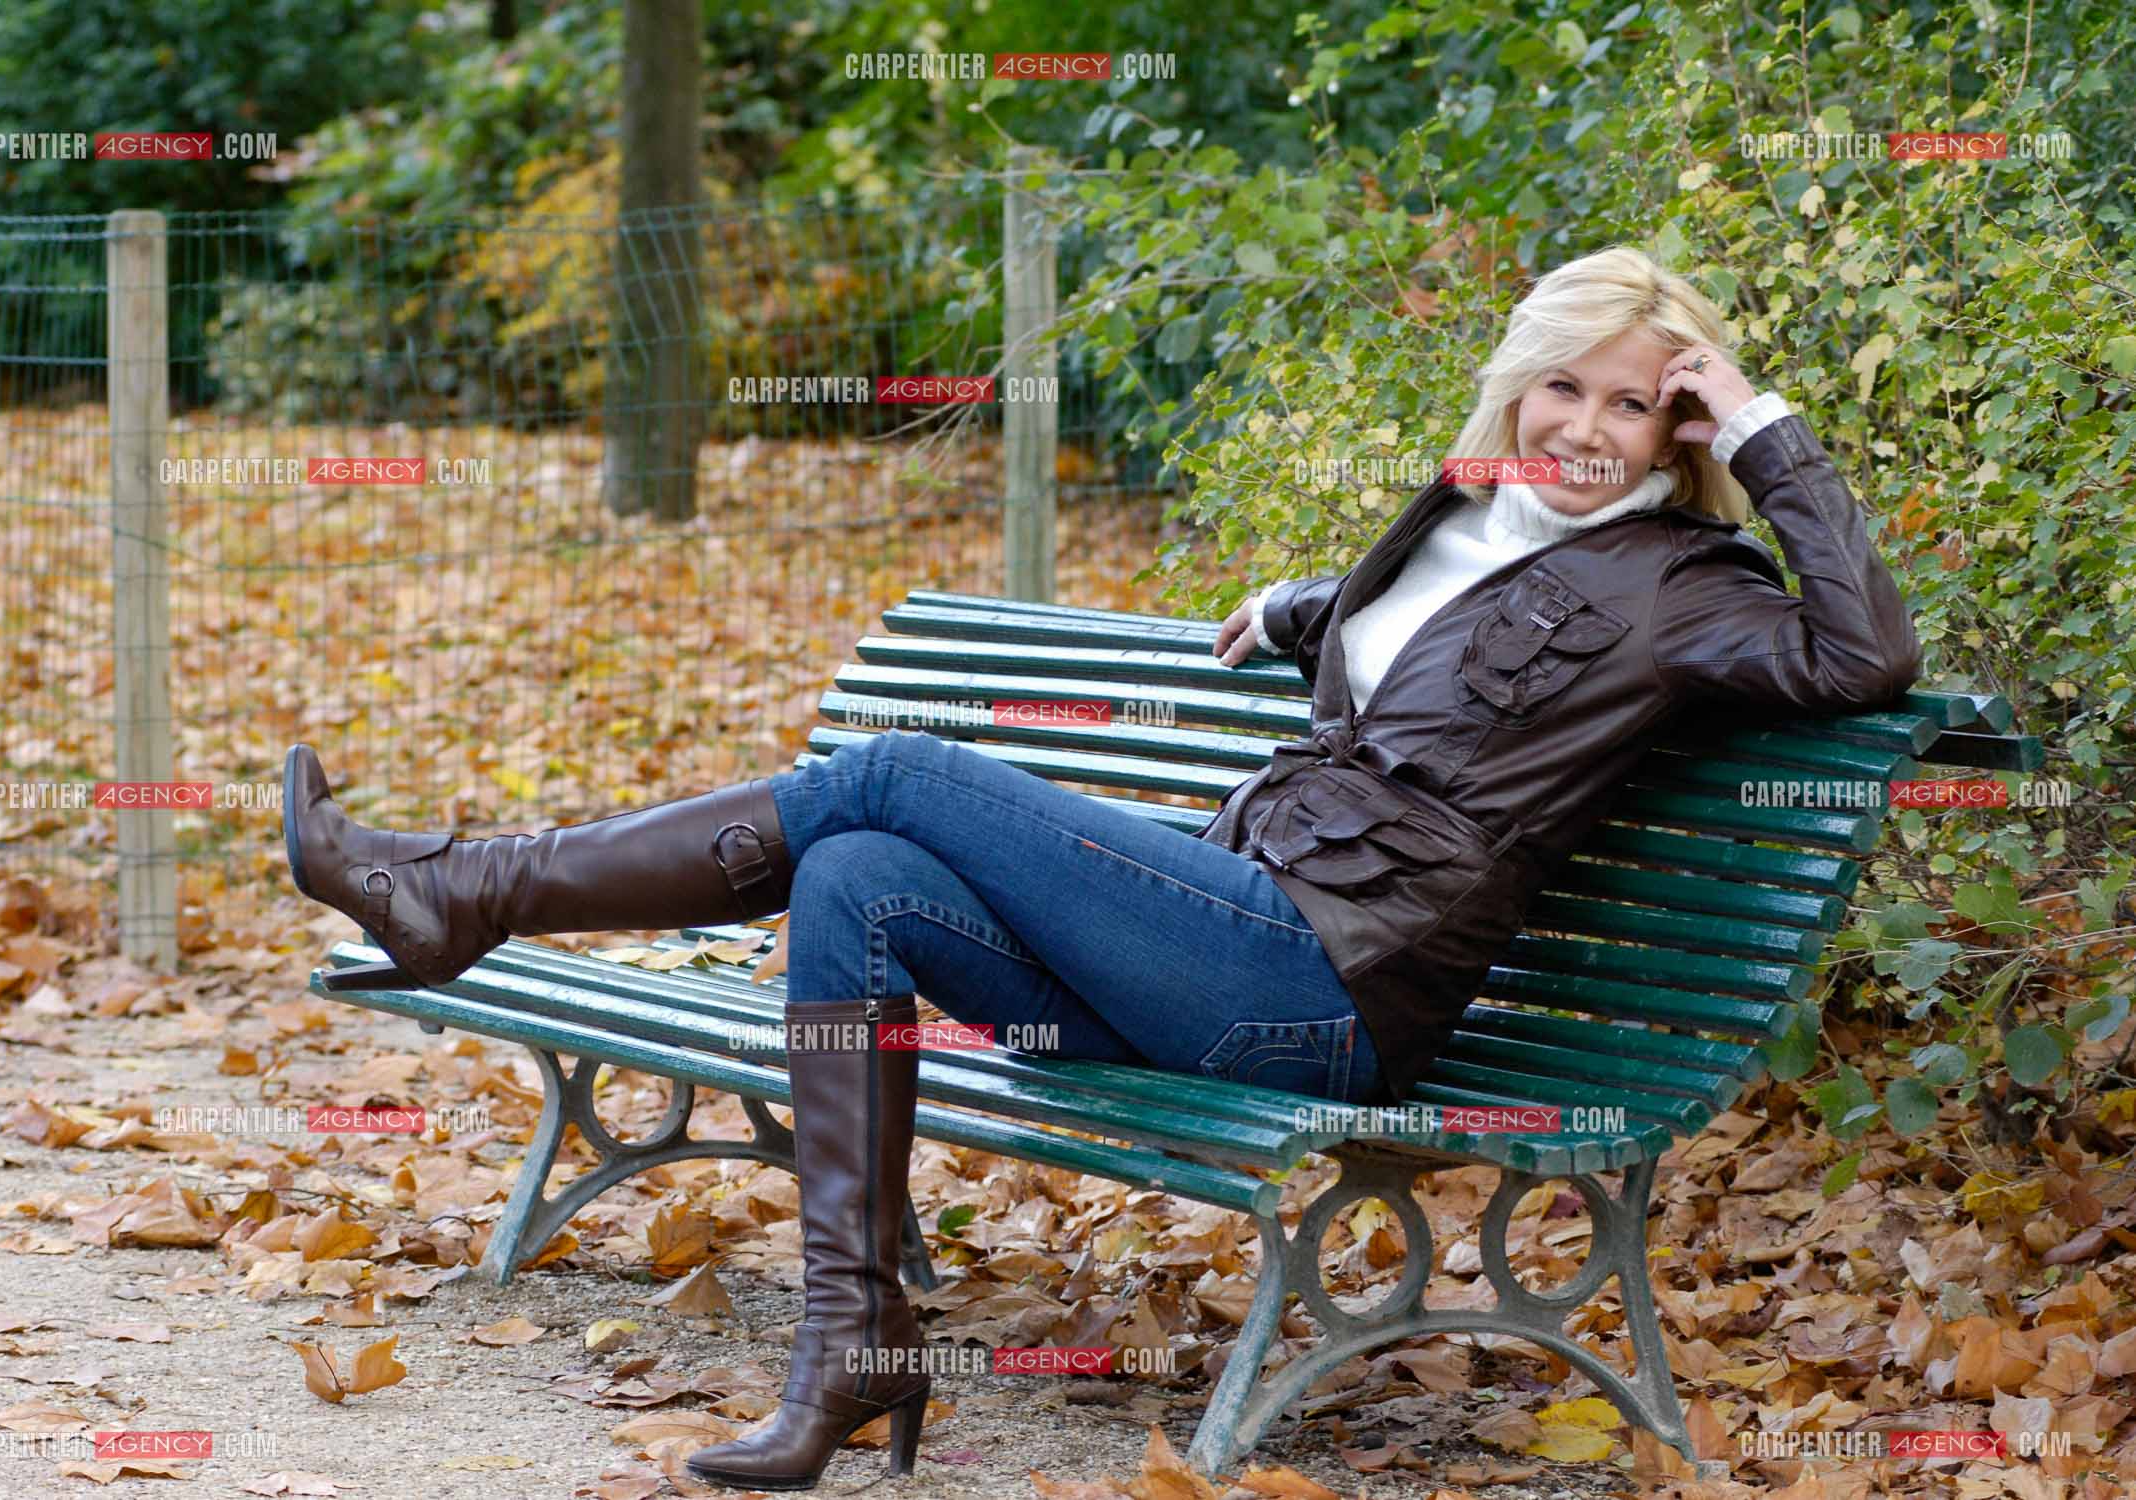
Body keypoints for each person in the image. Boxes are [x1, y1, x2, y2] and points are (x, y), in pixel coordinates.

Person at [280, 243, 1921, 1488]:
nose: (1584, 428)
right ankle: (853, 1343)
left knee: (894, 772)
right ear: (1515, 385)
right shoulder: (1460, 512)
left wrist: (1766, 430)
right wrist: (1303, 613)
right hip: (1212, 956)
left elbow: (1860, 658)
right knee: (851, 872)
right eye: (1563, 386)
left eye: (1635, 403)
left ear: (1676, 424)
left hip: (1319, 986)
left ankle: (464, 891)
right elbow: (1424, 655)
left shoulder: (1679, 583)